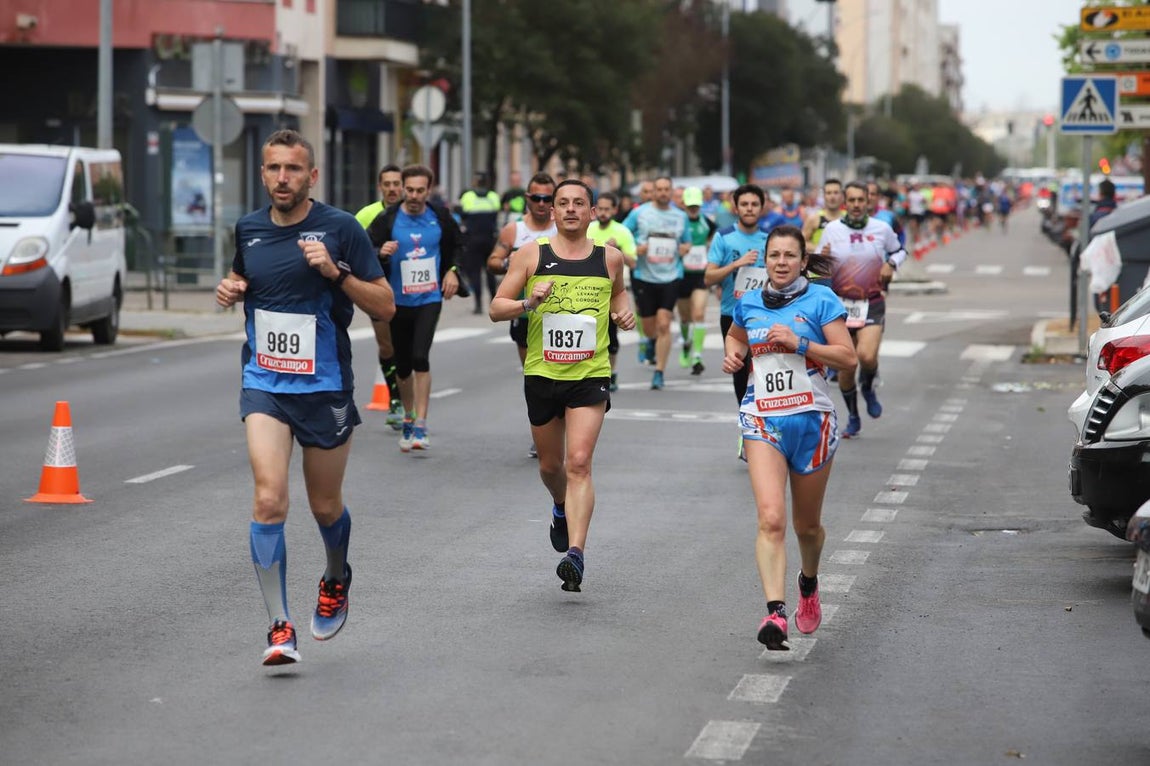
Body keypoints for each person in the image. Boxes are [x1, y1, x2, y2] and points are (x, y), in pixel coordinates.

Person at [215, 129, 395, 666]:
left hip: (324, 386)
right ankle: (279, 626)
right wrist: (229, 289)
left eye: (293, 169)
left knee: (324, 505)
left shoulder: (341, 229)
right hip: (265, 383)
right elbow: (242, 277)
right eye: (273, 168)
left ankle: (336, 575)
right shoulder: (249, 228)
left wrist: (335, 272)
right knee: (269, 499)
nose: (282, 178)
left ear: (311, 175)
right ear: (262, 173)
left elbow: (384, 305)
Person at [489, 179, 636, 592]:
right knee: (551, 467)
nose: (571, 209)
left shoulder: (610, 258)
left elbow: (619, 295)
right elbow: (496, 308)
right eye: (563, 203)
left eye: (579, 203)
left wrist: (623, 313)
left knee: (580, 462)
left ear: (593, 212)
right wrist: (527, 303)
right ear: (552, 212)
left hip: (590, 374)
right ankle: (559, 506)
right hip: (542, 373)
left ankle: (576, 553)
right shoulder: (531, 254)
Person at [721, 224, 856, 650]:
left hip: (812, 421)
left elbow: (848, 357)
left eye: (789, 256)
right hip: (762, 419)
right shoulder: (749, 302)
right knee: (771, 518)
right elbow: (735, 336)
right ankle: (775, 612)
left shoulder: (822, 299)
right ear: (765, 259)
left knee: (807, 527)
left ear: (802, 261)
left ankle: (808, 583)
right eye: (774, 255)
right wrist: (733, 355)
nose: (781, 263)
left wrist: (800, 344)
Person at [366, 164, 463, 452]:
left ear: (429, 190)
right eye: (409, 189)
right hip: (397, 301)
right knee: (403, 364)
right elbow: (365, 248)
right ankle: (408, 414)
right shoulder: (388, 218)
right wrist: (380, 252)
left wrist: (453, 271)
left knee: (420, 357)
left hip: (428, 299)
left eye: (420, 190)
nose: (414, 196)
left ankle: (421, 423)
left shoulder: (439, 216)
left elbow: (458, 244)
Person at [820, 181, 907, 438]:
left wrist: (891, 263)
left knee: (867, 357)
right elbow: (816, 264)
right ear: (845, 202)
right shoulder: (832, 229)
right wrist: (822, 257)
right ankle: (853, 416)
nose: (857, 205)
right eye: (852, 200)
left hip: (871, 302)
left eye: (861, 200)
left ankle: (867, 387)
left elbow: (900, 251)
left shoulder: (881, 228)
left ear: (868, 201)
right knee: (846, 368)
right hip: (840, 305)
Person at [488, 172, 558, 458]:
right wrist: (510, 262)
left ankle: (557, 431)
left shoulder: (563, 228)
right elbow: (492, 261)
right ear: (527, 198)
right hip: (525, 313)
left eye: (547, 198)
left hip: (560, 314)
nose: (541, 203)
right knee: (536, 377)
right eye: (536, 198)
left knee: (562, 376)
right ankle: (541, 435)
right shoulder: (513, 230)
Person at [705, 183, 770, 410]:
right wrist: (736, 264)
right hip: (732, 315)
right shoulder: (724, 237)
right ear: (736, 208)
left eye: (754, 204)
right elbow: (708, 277)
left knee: (764, 368)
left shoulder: (770, 239)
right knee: (739, 370)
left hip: (765, 315)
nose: (749, 208)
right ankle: (746, 418)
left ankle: (762, 418)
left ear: (762, 208)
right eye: (744, 204)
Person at [624, 175, 691, 389]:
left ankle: (659, 371)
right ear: (653, 192)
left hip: (671, 275)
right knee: (649, 326)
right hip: (644, 276)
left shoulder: (681, 216)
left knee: (664, 323)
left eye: (666, 189)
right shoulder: (639, 213)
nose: (663, 193)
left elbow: (687, 242)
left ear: (671, 191)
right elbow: (623, 233)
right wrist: (635, 248)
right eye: (659, 189)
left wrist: (685, 249)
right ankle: (651, 341)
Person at [354, 163, 405, 429]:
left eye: (397, 184)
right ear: (380, 187)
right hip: (378, 288)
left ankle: (409, 399)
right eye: (387, 184)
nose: (392, 189)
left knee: (409, 348)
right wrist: (378, 252)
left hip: (410, 290)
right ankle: (395, 399)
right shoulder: (366, 215)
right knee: (387, 346)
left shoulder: (414, 212)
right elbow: (352, 251)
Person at [586, 191, 637, 391]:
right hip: (588, 291)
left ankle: (612, 373)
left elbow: (633, 262)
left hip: (612, 291)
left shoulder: (622, 232)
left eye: (607, 209)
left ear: (615, 210)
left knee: (611, 336)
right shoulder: (588, 229)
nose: (603, 213)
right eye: (600, 209)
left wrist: (617, 251)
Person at [678, 186, 717, 374]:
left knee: (699, 314)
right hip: (681, 275)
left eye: (696, 206)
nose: (693, 209)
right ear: (684, 205)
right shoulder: (678, 222)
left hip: (700, 275)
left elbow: (713, 240)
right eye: (690, 206)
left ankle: (697, 356)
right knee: (685, 317)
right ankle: (686, 342)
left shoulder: (707, 223)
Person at [459, 172, 502, 313]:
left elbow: (463, 215)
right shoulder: (493, 197)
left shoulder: (468, 196)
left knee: (475, 272)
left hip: (473, 240)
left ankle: (478, 305)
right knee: (490, 271)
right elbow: (496, 214)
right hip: (490, 239)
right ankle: (493, 301)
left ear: (475, 182)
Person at [802, 178, 844, 254]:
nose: (832, 197)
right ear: (824, 196)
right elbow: (801, 242)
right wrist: (820, 248)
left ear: (842, 196)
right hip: (821, 260)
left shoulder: (848, 218)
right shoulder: (814, 218)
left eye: (836, 193)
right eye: (829, 193)